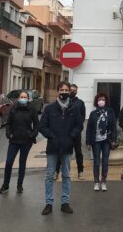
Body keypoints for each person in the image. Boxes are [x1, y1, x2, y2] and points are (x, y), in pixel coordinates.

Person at [38, 81, 83, 216]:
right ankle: (49, 203)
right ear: (58, 91)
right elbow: (42, 126)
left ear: (69, 92)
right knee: (49, 175)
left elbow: (79, 126)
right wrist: (51, 137)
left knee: (67, 175)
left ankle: (65, 202)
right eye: (61, 90)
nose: (64, 92)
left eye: (66, 90)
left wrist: (71, 137)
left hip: (67, 147)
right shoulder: (50, 108)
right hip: (52, 147)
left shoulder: (74, 108)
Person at [0, 90, 38, 194]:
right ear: (18, 97)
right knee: (8, 163)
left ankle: (19, 185)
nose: (23, 98)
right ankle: (5, 185)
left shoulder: (32, 109)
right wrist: (9, 133)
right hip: (14, 140)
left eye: (25, 97)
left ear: (28, 98)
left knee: (22, 163)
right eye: (21, 96)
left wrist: (32, 134)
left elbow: (37, 125)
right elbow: (8, 123)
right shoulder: (13, 108)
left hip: (26, 141)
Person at [85, 93, 117, 192]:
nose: (101, 101)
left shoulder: (110, 112)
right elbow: (89, 128)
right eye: (99, 99)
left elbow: (113, 127)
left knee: (105, 162)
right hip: (96, 141)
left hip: (106, 141)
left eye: (103, 99)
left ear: (106, 101)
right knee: (96, 162)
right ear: (96, 101)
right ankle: (96, 182)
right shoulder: (93, 113)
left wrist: (113, 140)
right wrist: (88, 142)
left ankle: (103, 182)